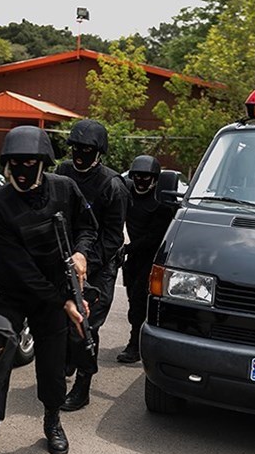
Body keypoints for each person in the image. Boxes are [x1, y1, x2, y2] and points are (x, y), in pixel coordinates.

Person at [0, 125, 97, 454]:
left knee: (53, 364)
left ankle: (52, 419)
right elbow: (21, 269)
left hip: (56, 292)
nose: (22, 171)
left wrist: (81, 253)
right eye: (15, 164)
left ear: (43, 163)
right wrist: (66, 302)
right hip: (11, 293)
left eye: (30, 163)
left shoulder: (65, 188)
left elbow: (89, 228)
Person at [54, 119, 128, 411]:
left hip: (101, 265)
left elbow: (112, 238)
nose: (80, 154)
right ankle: (68, 362)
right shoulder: (62, 173)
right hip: (67, 258)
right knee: (61, 322)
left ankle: (82, 387)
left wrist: (85, 262)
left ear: (99, 151)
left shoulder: (113, 185)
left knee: (86, 327)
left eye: (87, 149)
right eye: (75, 148)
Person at [117, 155, 173, 363]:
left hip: (151, 260)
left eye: (146, 177)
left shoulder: (162, 204)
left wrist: (128, 248)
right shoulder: (126, 195)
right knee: (133, 299)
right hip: (132, 260)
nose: (141, 181)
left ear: (155, 180)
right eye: (137, 177)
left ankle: (135, 346)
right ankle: (139, 338)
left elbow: (154, 238)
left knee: (140, 303)